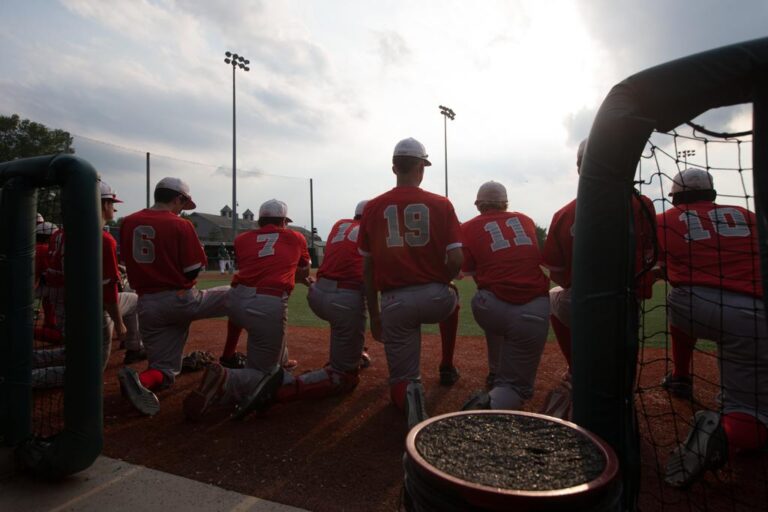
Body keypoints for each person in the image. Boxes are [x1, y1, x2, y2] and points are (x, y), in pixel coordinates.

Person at [657, 168, 767, 487]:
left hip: (697, 306)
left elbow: (652, 267)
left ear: (675, 196)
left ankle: (682, 379)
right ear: (713, 194)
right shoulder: (745, 214)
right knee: (755, 406)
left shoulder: (666, 219)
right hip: (758, 311)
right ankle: (727, 424)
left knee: (677, 294)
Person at [541, 139, 657, 419]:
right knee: (620, 357)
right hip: (626, 301)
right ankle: (621, 392)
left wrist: (576, 284)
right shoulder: (642, 204)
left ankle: (575, 367)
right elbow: (652, 263)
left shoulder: (566, 212)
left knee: (552, 297)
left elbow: (554, 270)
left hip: (583, 302)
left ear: (581, 167)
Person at [357, 137, 463, 430]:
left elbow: (367, 269)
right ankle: (446, 364)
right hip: (436, 297)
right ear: (422, 168)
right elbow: (456, 259)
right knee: (453, 299)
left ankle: (411, 393)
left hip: (394, 301)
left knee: (401, 382)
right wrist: (442, 280)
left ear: (394, 168)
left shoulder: (373, 207)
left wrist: (375, 316)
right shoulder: (442, 204)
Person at [183, 199, 311, 421]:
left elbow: (256, 265)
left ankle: (275, 359)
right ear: (283, 221)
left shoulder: (242, 239)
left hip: (236, 299)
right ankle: (227, 378)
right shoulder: (295, 237)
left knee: (265, 333)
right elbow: (303, 271)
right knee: (266, 375)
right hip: (267, 303)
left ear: (260, 220)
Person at [118, 177, 229, 416]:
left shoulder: (128, 222)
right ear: (178, 198)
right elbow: (192, 269)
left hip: (146, 303)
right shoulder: (180, 224)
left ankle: (143, 381)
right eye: (183, 203)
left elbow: (126, 260)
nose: (182, 209)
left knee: (164, 372)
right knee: (238, 294)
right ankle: (234, 358)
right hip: (181, 299)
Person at [34, 180, 144, 388]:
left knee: (73, 353)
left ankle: (23, 361)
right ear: (102, 205)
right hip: (90, 309)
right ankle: (19, 380)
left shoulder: (59, 234)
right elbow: (107, 290)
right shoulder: (102, 238)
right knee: (88, 371)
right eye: (112, 203)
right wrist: (118, 323)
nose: (114, 208)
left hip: (62, 304)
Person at [459, 181, 550, 411]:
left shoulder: (468, 227)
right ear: (505, 203)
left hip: (490, 307)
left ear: (479, 204)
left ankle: (489, 392)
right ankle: (499, 380)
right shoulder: (526, 220)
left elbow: (467, 273)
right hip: (536, 307)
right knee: (516, 388)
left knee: (489, 297)